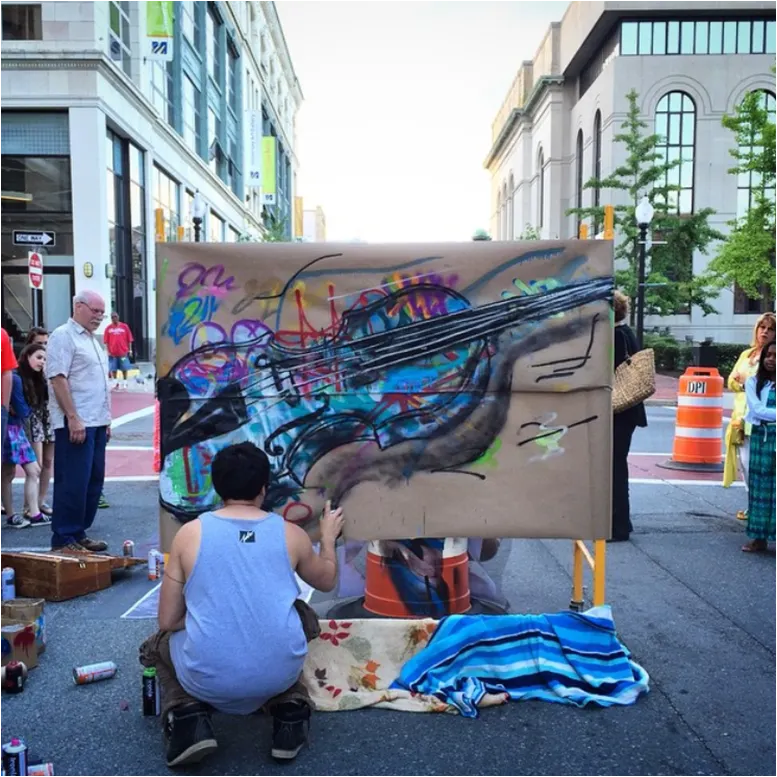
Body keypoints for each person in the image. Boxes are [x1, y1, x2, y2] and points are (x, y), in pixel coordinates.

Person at [139, 442, 344, 769]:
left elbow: (167, 620)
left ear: (217, 487)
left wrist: (206, 619)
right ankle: (291, 710)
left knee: (155, 646)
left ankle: (187, 713)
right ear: (264, 488)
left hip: (206, 678)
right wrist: (328, 539)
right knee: (300, 616)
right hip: (278, 673)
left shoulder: (190, 535)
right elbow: (327, 580)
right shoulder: (291, 535)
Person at [45, 291, 111, 552]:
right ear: (78, 306)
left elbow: (99, 383)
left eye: (101, 312)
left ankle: (79, 531)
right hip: (77, 420)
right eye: (95, 311)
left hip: (96, 420)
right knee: (73, 480)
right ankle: (64, 537)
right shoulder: (63, 335)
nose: (99, 317)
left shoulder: (93, 340)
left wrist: (107, 421)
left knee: (93, 481)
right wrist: (72, 417)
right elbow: (57, 378)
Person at [723, 312, 776, 519]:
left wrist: (745, 381)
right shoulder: (747, 354)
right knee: (746, 464)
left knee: (766, 467)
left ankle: (764, 507)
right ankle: (753, 504)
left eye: (770, 328)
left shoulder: (771, 356)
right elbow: (732, 380)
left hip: (767, 420)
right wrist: (744, 383)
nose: (765, 332)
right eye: (762, 327)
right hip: (742, 416)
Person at [611, 291, 647, 542]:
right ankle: (621, 522)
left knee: (612, 468)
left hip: (618, 410)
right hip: (628, 412)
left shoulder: (614, 336)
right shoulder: (627, 334)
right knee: (617, 466)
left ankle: (618, 525)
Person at [1, 347, 46, 528]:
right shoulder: (16, 378)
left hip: (12, 426)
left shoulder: (16, 376)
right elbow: (22, 408)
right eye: (39, 357)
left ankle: (17, 514)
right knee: (30, 470)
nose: (42, 362)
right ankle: (28, 513)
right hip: (14, 429)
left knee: (8, 472)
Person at [741, 342, 776, 552]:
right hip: (762, 437)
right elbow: (757, 409)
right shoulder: (755, 382)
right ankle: (758, 537)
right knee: (759, 487)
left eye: (775, 355)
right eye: (768, 355)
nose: (771, 359)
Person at [18, 342, 54, 519]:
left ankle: (40, 501)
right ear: (27, 357)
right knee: (36, 465)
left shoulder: (43, 377)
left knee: (47, 462)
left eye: (45, 359)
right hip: (33, 420)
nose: (42, 362)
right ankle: (29, 506)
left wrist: (46, 372)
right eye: (39, 358)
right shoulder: (21, 376)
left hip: (48, 418)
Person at [104, 312, 134, 390]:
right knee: (113, 368)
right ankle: (115, 383)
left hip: (123, 353)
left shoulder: (125, 327)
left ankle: (125, 382)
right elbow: (106, 341)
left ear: (118, 317)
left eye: (115, 316)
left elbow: (129, 339)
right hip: (113, 354)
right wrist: (108, 351)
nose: (114, 318)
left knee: (124, 367)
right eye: (113, 317)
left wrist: (130, 350)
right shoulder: (108, 328)